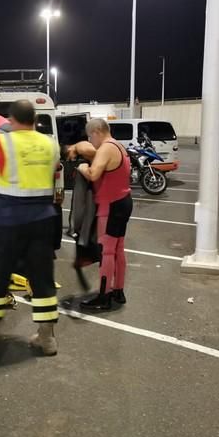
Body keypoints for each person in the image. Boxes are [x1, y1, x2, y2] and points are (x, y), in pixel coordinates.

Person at [0, 100, 60, 355]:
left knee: (0, 277)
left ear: (11, 120)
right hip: (43, 220)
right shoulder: (50, 144)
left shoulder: (1, 142)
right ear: (35, 119)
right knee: (42, 280)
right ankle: (47, 338)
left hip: (9, 222)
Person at [68, 118, 133, 310]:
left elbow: (94, 174)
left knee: (107, 251)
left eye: (90, 136)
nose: (90, 140)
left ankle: (103, 297)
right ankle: (118, 291)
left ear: (96, 131)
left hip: (111, 206)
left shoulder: (106, 148)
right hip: (123, 202)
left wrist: (82, 168)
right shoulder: (119, 146)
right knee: (118, 249)